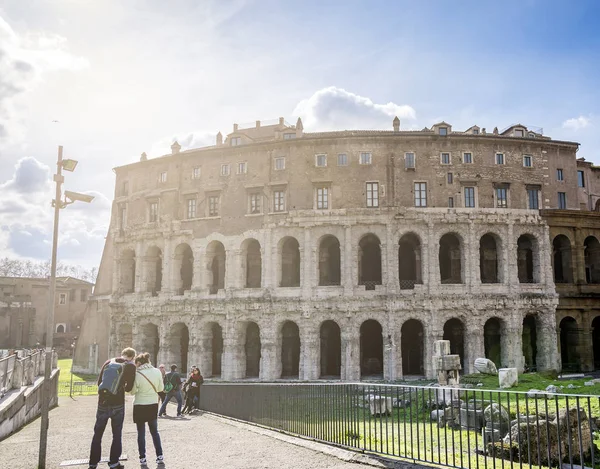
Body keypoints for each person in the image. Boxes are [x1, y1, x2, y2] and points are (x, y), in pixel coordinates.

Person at [88, 347, 136, 469]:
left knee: (97, 434)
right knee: (116, 434)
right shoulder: (130, 367)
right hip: (118, 404)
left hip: (103, 403)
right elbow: (129, 388)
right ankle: (114, 463)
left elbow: (99, 383)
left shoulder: (109, 362)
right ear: (132, 357)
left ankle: (93, 463)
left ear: (122, 354)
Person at [130, 352, 165, 466]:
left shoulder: (137, 374)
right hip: (153, 404)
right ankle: (159, 456)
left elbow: (133, 391)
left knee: (141, 433)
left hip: (140, 405)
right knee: (155, 432)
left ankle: (143, 458)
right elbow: (160, 388)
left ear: (139, 363)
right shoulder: (157, 371)